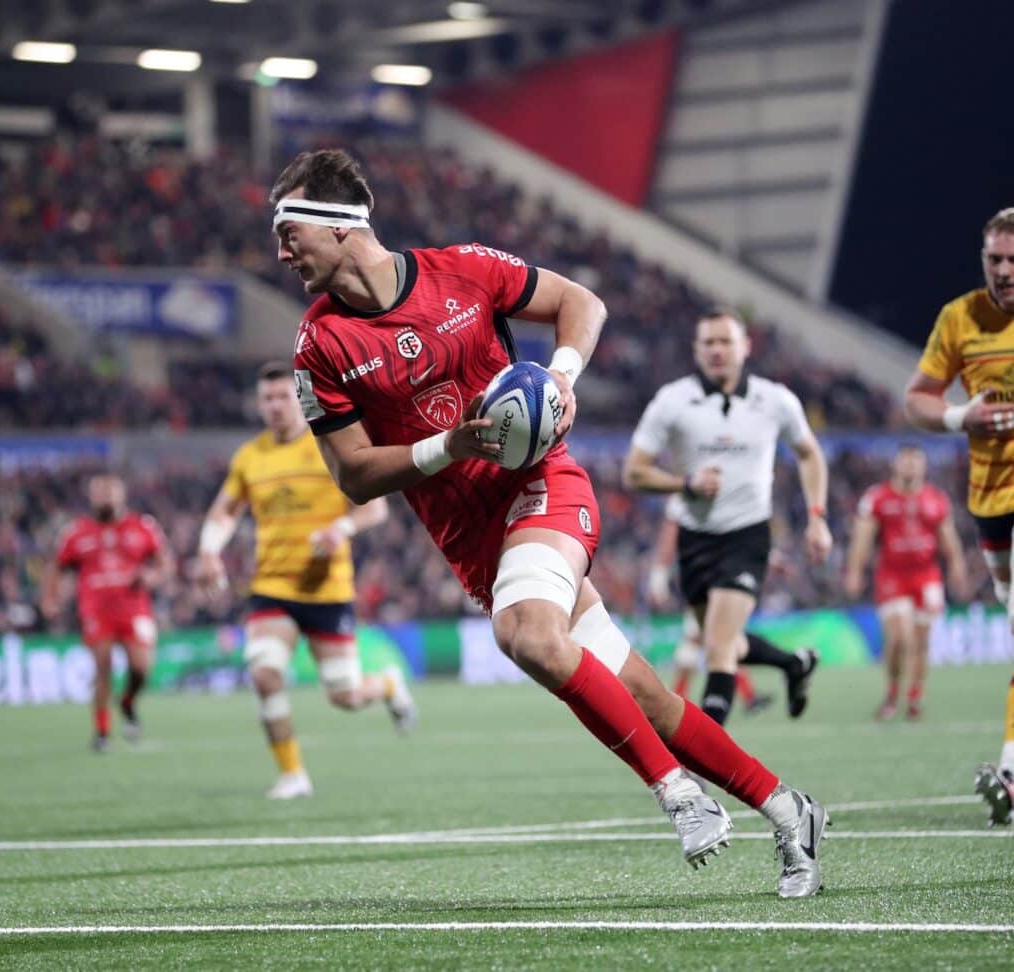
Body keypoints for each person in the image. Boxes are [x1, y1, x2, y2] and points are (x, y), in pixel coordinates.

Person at [273, 148, 828, 896]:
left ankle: (678, 795)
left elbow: (583, 304)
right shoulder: (318, 347)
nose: (280, 249)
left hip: (542, 483)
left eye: (290, 229)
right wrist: (452, 445)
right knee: (649, 697)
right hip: (471, 539)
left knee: (526, 634)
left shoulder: (463, 268)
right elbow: (353, 473)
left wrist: (560, 378)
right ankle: (790, 810)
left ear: (341, 227)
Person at [197, 360, 414, 800]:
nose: (275, 406)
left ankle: (388, 683)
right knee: (264, 674)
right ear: (258, 404)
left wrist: (342, 529)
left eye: (283, 396)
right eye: (267, 398)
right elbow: (224, 511)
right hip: (272, 588)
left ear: (298, 400)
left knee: (346, 697)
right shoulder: (250, 457)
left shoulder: (329, 448)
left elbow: (374, 508)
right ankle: (293, 774)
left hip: (327, 591)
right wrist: (208, 550)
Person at [623, 308, 828, 728]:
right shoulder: (672, 400)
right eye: (709, 343)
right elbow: (634, 471)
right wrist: (685, 483)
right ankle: (793, 664)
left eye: (726, 342)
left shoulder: (775, 400)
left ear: (745, 347)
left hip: (747, 535)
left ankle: (707, 755)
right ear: (696, 349)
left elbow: (809, 453)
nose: (717, 350)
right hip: (695, 539)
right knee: (727, 643)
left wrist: (818, 516)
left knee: (716, 647)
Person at [903, 206, 1014, 825]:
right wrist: (958, 417)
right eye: (994, 260)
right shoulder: (962, 317)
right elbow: (916, 397)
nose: (1003, 271)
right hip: (991, 500)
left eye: (1012, 260)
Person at [40, 473, 172, 751]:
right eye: (100, 492)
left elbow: (164, 564)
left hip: (135, 610)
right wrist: (50, 597)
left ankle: (128, 701)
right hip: (95, 611)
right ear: (90, 497)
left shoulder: (142, 526)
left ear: (122, 495)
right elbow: (56, 567)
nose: (106, 497)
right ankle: (101, 733)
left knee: (141, 667)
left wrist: (150, 577)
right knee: (103, 667)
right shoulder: (77, 532)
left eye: (111, 491)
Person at [844, 444, 969, 721]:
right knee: (899, 638)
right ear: (896, 464)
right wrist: (854, 571)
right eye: (906, 460)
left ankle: (914, 695)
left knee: (922, 642)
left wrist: (957, 567)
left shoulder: (936, 499)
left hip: (927, 577)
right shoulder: (878, 497)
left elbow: (948, 538)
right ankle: (891, 694)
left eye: (916, 461)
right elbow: (862, 538)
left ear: (924, 466)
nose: (911, 466)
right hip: (892, 576)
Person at [648, 496, 772, 714]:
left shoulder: (691, 495)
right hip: (705, 579)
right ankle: (674, 701)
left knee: (716, 641)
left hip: (709, 578)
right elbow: (668, 542)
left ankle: (746, 697)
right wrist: (659, 577)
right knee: (711, 642)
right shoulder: (685, 498)